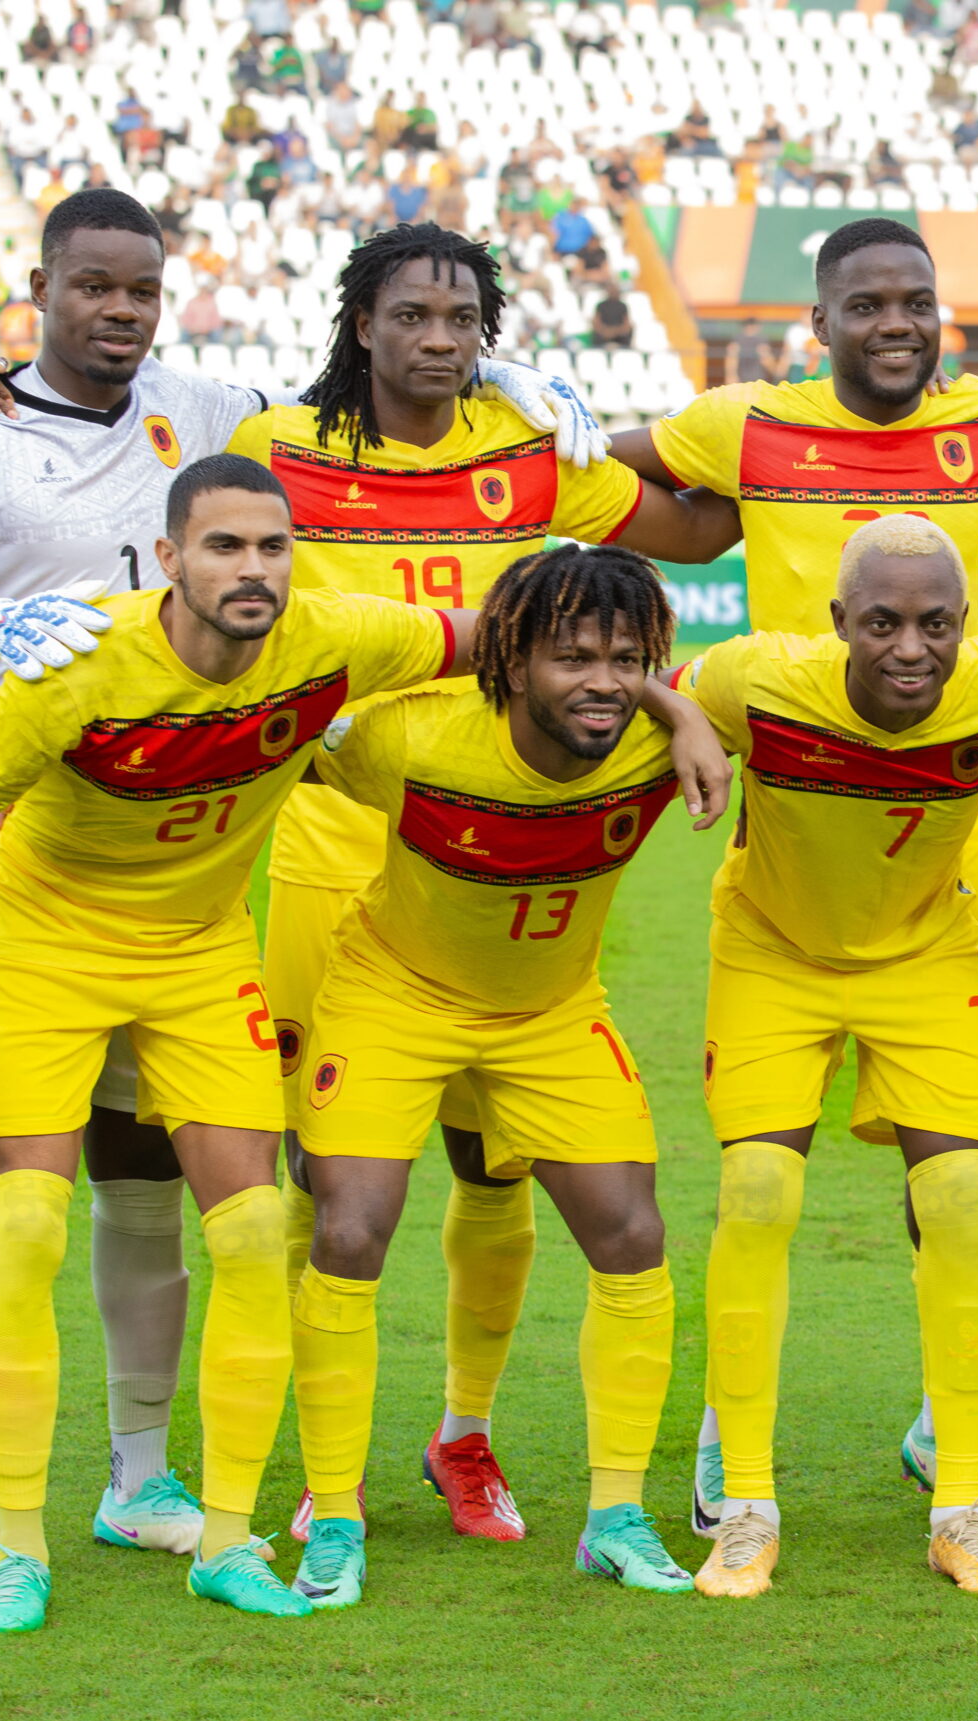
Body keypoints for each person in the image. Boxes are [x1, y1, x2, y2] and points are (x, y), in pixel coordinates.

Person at [0, 454, 473, 1631]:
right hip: (47, 947)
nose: (253, 569)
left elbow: (502, 633)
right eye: (224, 546)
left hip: (200, 951)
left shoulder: (334, 635)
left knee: (253, 1231)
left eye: (272, 546)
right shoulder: (81, 666)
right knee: (29, 1225)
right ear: (168, 559)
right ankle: (17, 1549)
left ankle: (223, 1537)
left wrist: (670, 704)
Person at [223, 221, 739, 1545]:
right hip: (335, 835)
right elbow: (181, 526)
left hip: (505, 838)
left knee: (490, 1161)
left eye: (465, 321)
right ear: (361, 322)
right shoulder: (277, 445)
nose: (440, 341)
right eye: (412, 315)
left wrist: (628, 431)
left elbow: (699, 528)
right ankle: (320, 1454)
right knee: (322, 1177)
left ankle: (464, 1430)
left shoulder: (526, 446)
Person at [611, 219, 978, 1529]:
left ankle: (943, 1418)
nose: (897, 324)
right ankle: (726, 1428)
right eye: (867, 304)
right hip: (793, 808)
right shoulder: (746, 424)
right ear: (818, 323)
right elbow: (609, 469)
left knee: (950, 1178)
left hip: (941, 854)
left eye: (917, 302)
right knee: (762, 1176)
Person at [0, 189, 283, 1597]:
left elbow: (363, 399)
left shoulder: (201, 405)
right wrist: (8, 622)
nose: (121, 310)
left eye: (142, 288)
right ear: (39, 288)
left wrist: (520, 384)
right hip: (0, 841)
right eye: (94, 285)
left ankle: (137, 1474)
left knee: (143, 1167)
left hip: (159, 854)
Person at [285, 546, 729, 1608]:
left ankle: (615, 1517)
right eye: (573, 658)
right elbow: (273, 733)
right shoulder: (410, 736)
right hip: (393, 995)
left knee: (631, 1232)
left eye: (626, 660)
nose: (603, 683)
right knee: (349, 1227)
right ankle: (334, 1512)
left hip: (549, 1010)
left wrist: (681, 710)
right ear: (512, 660)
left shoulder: (654, 739)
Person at [671, 516, 978, 1599]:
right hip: (773, 950)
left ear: (968, 624)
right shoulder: (760, 677)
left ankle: (959, 1505)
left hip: (928, 954)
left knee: (959, 1199)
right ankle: (745, 1501)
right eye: (882, 624)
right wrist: (682, 719)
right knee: (756, 1190)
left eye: (937, 624)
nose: (912, 648)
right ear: (837, 622)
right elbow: (651, 684)